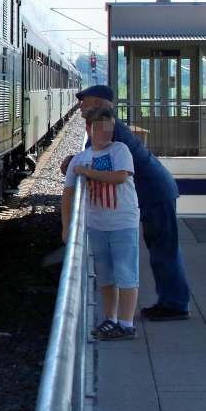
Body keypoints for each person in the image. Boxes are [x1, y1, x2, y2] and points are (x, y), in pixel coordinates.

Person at [61, 84, 191, 321]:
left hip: (155, 194)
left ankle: (174, 304)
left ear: (97, 104)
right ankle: (172, 301)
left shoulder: (109, 131)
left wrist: (74, 165)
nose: (79, 106)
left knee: (164, 249)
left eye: (84, 101)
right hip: (154, 193)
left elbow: (95, 165)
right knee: (162, 248)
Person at [64, 107, 140, 340]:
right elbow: (67, 194)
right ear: (88, 130)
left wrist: (86, 172)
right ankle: (111, 319)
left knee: (126, 272)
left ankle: (127, 324)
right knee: (105, 275)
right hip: (96, 224)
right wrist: (67, 228)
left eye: (108, 129)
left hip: (123, 222)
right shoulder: (79, 159)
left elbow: (120, 177)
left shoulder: (120, 150)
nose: (103, 133)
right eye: (98, 129)